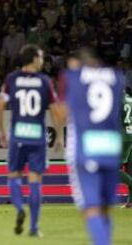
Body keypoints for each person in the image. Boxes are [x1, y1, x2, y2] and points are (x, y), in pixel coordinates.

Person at [58, 49, 124, 245]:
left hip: (87, 147)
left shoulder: (73, 78)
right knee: (105, 208)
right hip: (111, 147)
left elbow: (63, 111)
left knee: (92, 207)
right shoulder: (117, 77)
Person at [0, 44, 63, 237]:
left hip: (17, 134)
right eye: (40, 57)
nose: (42, 60)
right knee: (35, 180)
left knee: (14, 175)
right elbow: (56, 113)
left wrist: (1, 132)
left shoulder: (11, 79)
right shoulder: (44, 81)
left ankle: (19, 208)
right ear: (33, 59)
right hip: (37, 137)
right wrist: (59, 136)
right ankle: (33, 227)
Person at [120, 87, 132, 208]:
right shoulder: (130, 99)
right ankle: (130, 202)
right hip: (131, 135)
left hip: (121, 136)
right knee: (129, 169)